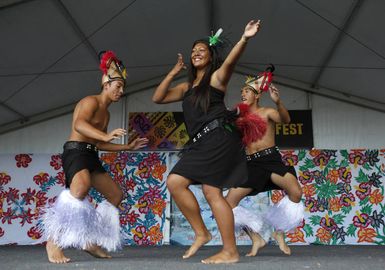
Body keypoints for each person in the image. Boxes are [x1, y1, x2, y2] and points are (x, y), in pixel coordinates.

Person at [152, 20, 261, 264]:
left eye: (202, 50)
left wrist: (244, 38)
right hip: (200, 143)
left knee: (210, 192)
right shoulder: (186, 87)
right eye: (193, 51)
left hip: (218, 137)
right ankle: (202, 233)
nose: (196, 53)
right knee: (177, 182)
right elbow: (158, 98)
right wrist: (173, 71)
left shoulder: (215, 79)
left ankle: (229, 251)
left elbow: (231, 61)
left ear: (211, 57)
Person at [42, 51, 148, 264]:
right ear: (106, 84)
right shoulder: (90, 101)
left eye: (123, 87)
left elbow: (99, 143)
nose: (121, 91)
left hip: (91, 154)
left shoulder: (106, 113)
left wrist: (127, 146)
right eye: (118, 86)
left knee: (116, 195)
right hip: (75, 151)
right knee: (80, 188)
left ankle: (90, 241)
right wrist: (105, 134)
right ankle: (53, 242)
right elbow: (79, 125)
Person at [225, 74, 304, 256]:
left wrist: (278, 102)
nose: (243, 94)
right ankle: (256, 238)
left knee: (296, 193)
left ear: (257, 95)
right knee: (228, 202)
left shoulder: (267, 111)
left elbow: (285, 120)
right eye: (241, 91)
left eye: (247, 91)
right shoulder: (238, 119)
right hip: (251, 165)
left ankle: (279, 232)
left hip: (271, 160)